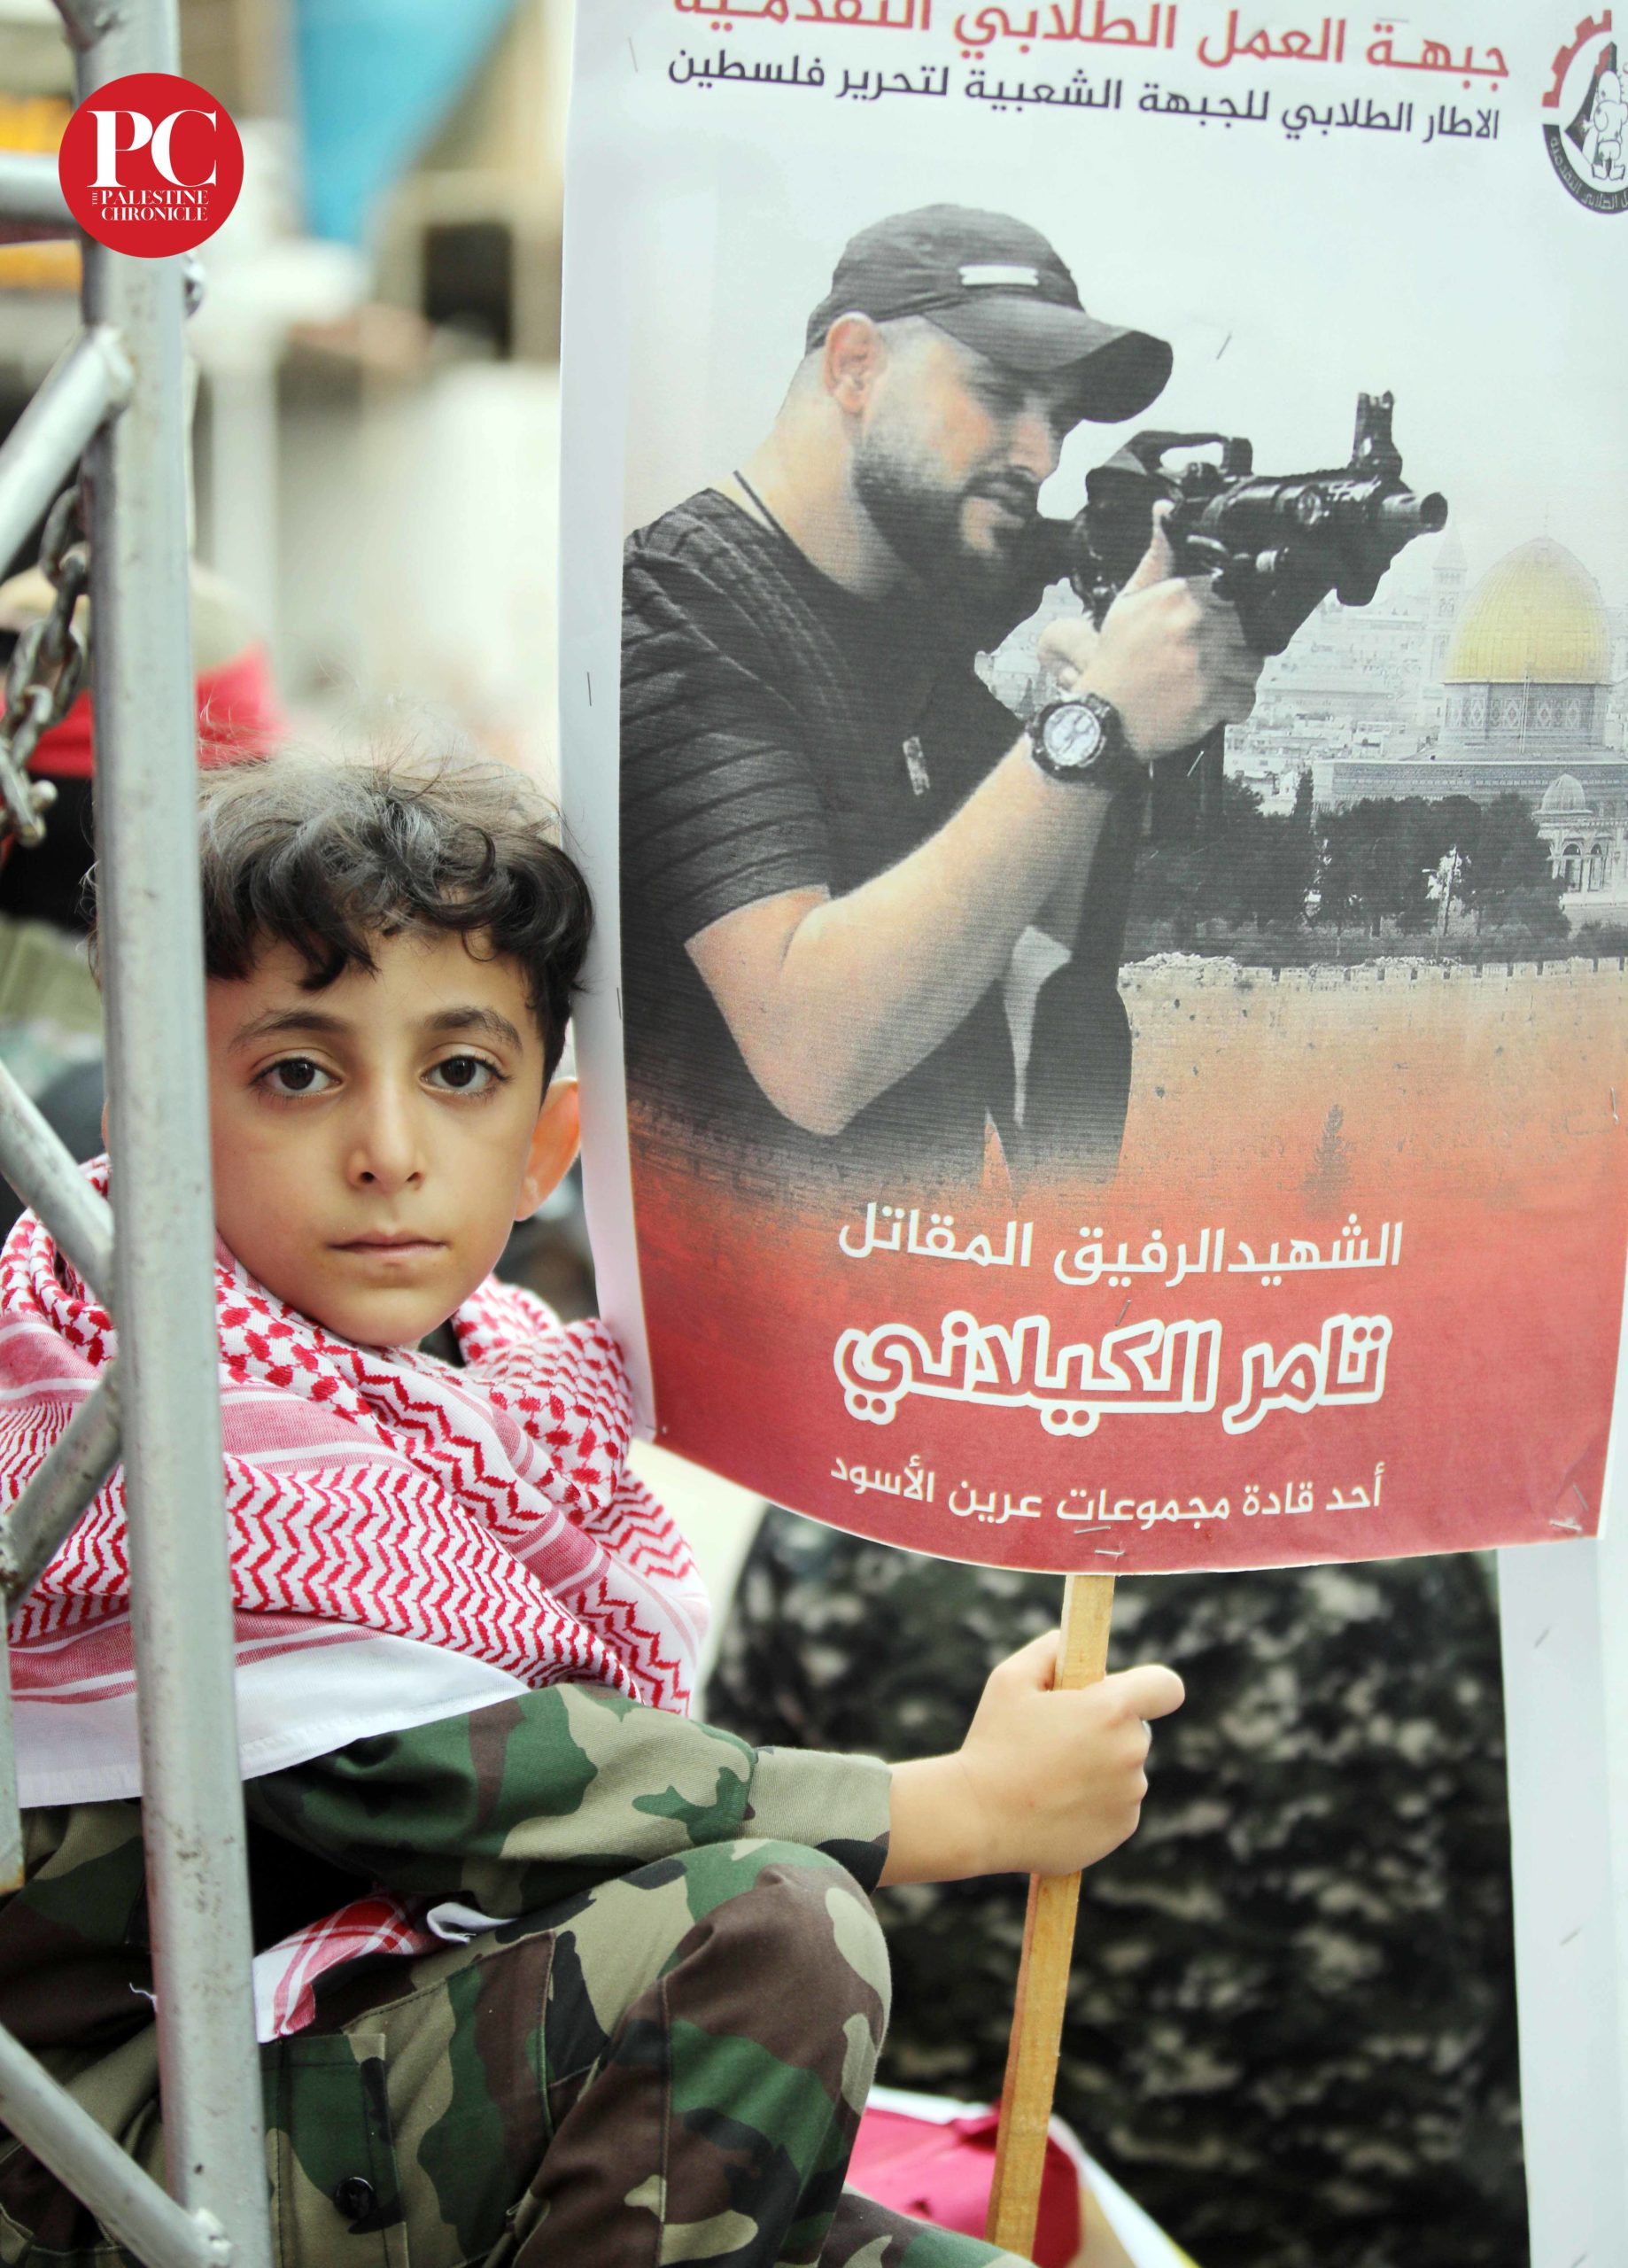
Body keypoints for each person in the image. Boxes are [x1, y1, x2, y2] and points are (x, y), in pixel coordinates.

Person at [0, 747, 1186, 2267]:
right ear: (158, 1123)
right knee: (768, 1934)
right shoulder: (128, 1385)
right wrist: (948, 1809)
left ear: (545, 1149)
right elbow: (430, 1782)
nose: (388, 1151)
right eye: (297, 1073)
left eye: (459, 1073)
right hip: (124, 2161)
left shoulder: (492, 1382)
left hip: (358, 2067)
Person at [621, 204, 1264, 1188]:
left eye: (1060, 419)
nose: (1042, 456)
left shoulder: (915, 623)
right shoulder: (677, 604)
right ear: (854, 368)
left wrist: (1101, 729)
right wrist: (1092, 727)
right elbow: (812, 1056)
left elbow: (1040, 1032)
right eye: (1000, 394)